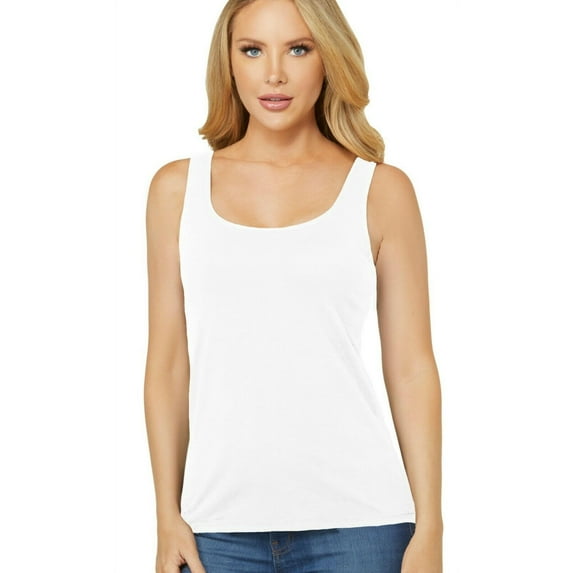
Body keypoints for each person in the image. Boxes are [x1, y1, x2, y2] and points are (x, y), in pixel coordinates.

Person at [144, 0, 443, 571]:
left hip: (362, 526)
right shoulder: (176, 191)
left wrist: (430, 527)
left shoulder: (381, 191)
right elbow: (168, 364)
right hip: (215, 530)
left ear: (328, 58)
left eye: (298, 49)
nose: (274, 73)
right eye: (252, 50)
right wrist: (165, 515)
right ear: (228, 62)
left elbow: (411, 368)